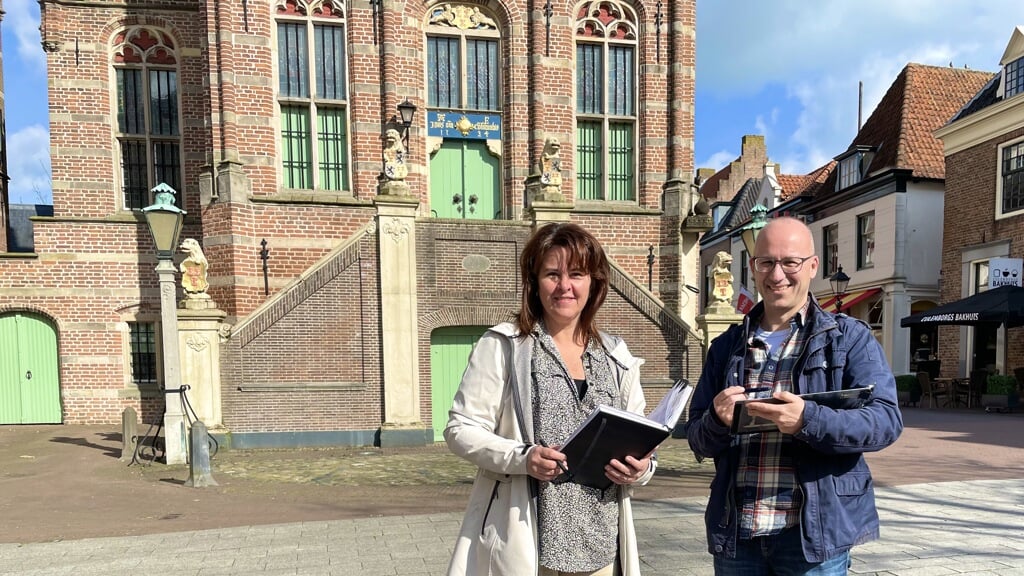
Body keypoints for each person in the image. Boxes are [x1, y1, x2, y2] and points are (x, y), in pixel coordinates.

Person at [685, 217, 903, 575]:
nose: (777, 275)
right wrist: (716, 421)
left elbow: (885, 421)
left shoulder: (849, 339)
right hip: (737, 533)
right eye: (766, 262)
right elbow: (696, 438)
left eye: (790, 262)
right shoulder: (726, 347)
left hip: (811, 536)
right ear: (753, 268)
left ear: (813, 266)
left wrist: (808, 420)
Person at [445, 222, 654, 576]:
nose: (565, 286)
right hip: (528, 545)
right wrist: (523, 458)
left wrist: (642, 469)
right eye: (552, 274)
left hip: (603, 545)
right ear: (534, 282)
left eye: (576, 273)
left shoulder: (616, 355)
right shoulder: (504, 346)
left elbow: (643, 440)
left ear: (594, 282)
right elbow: (460, 428)